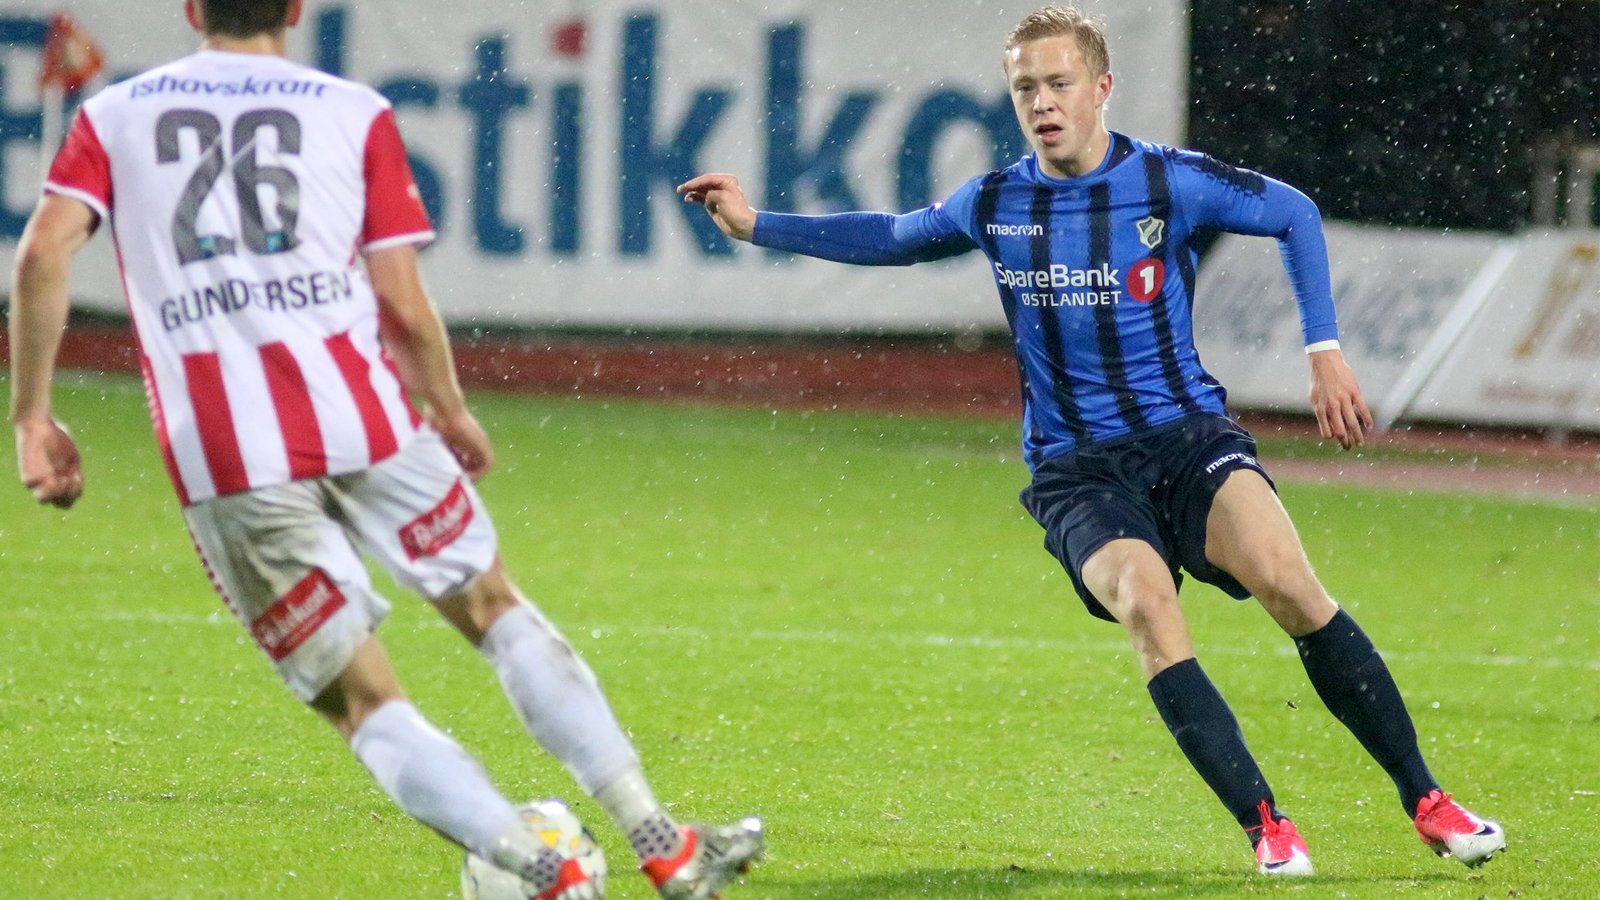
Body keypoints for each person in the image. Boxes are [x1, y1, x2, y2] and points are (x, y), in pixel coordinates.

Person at [677, 4, 1504, 878]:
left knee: (1290, 584)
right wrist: (756, 223)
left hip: (1187, 439)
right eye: (1024, 87)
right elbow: (891, 235)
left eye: (1059, 82)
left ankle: (1429, 801)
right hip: (1077, 472)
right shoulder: (995, 201)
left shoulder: (1167, 181)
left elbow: (1294, 214)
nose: (1042, 101)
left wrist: (1323, 350)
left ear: (1102, 87)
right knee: (1147, 605)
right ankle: (1266, 824)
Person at [8, 2, 764, 898]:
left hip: (228, 451)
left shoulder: (115, 115)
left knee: (365, 703)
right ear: (296, 7)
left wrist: (33, 416)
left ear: (191, 7)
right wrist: (447, 406)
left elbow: (43, 252)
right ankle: (663, 844)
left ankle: (548, 873)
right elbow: (400, 301)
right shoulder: (351, 110)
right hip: (366, 417)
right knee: (495, 608)